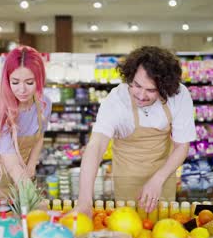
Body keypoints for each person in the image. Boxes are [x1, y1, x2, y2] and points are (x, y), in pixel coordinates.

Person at [75, 46, 196, 215]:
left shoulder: (179, 95)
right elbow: (96, 146)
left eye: (151, 90)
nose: (141, 95)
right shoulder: (116, 100)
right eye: (137, 85)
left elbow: (182, 146)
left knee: (162, 228)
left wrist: (158, 179)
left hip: (163, 175)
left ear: (164, 87)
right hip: (126, 178)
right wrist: (85, 200)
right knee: (129, 227)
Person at [0, 46, 52, 199]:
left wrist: (32, 165)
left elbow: (39, 137)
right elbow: (13, 165)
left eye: (29, 82)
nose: (22, 89)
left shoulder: (44, 104)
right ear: (7, 81)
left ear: (39, 80)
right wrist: (34, 198)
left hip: (21, 181)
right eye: (15, 82)